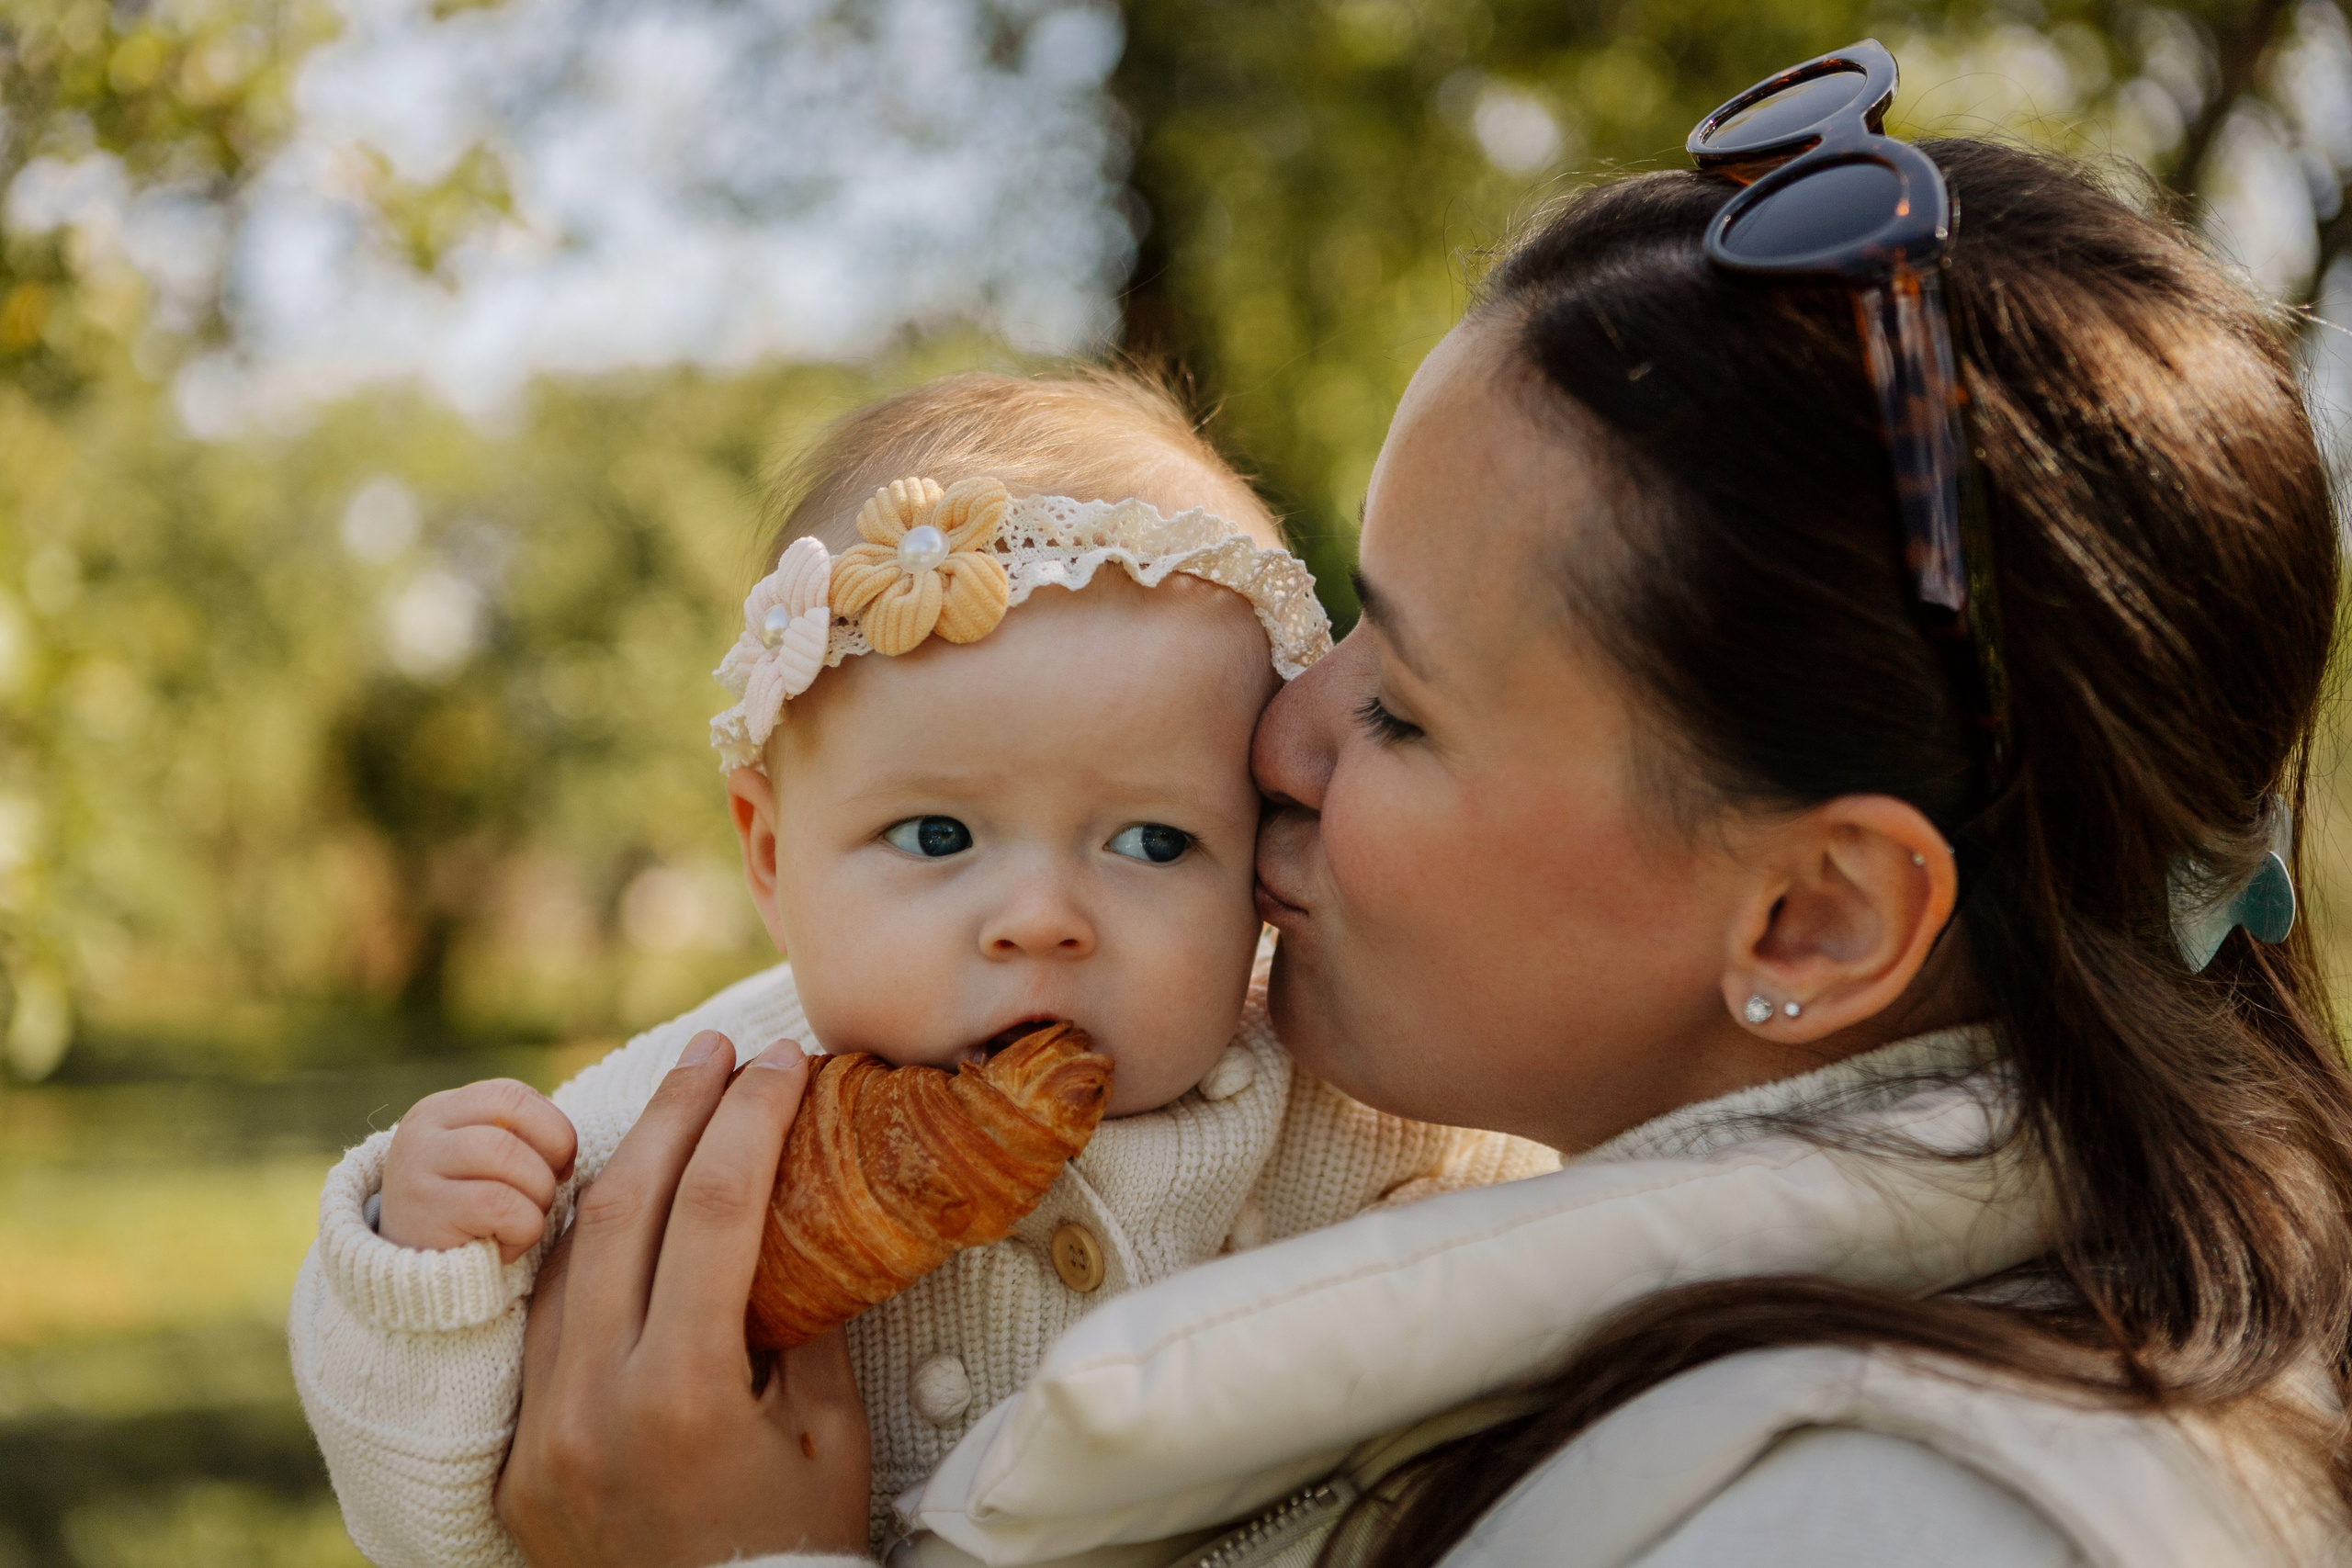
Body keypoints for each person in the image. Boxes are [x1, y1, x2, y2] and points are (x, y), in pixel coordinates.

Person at [486, 96, 2352, 1568]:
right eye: (1342, 624)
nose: (1272, 734)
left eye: (1401, 704)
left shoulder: (1910, 1521)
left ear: (1809, 915)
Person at [287, 369, 1558, 1567]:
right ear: (773, 855)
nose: (1043, 918)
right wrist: (427, 1267)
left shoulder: (1337, 1112)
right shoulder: (704, 1123)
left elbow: (1527, 1242)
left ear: (1256, 864)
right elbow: (438, 1520)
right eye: (939, 836)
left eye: (1155, 841)